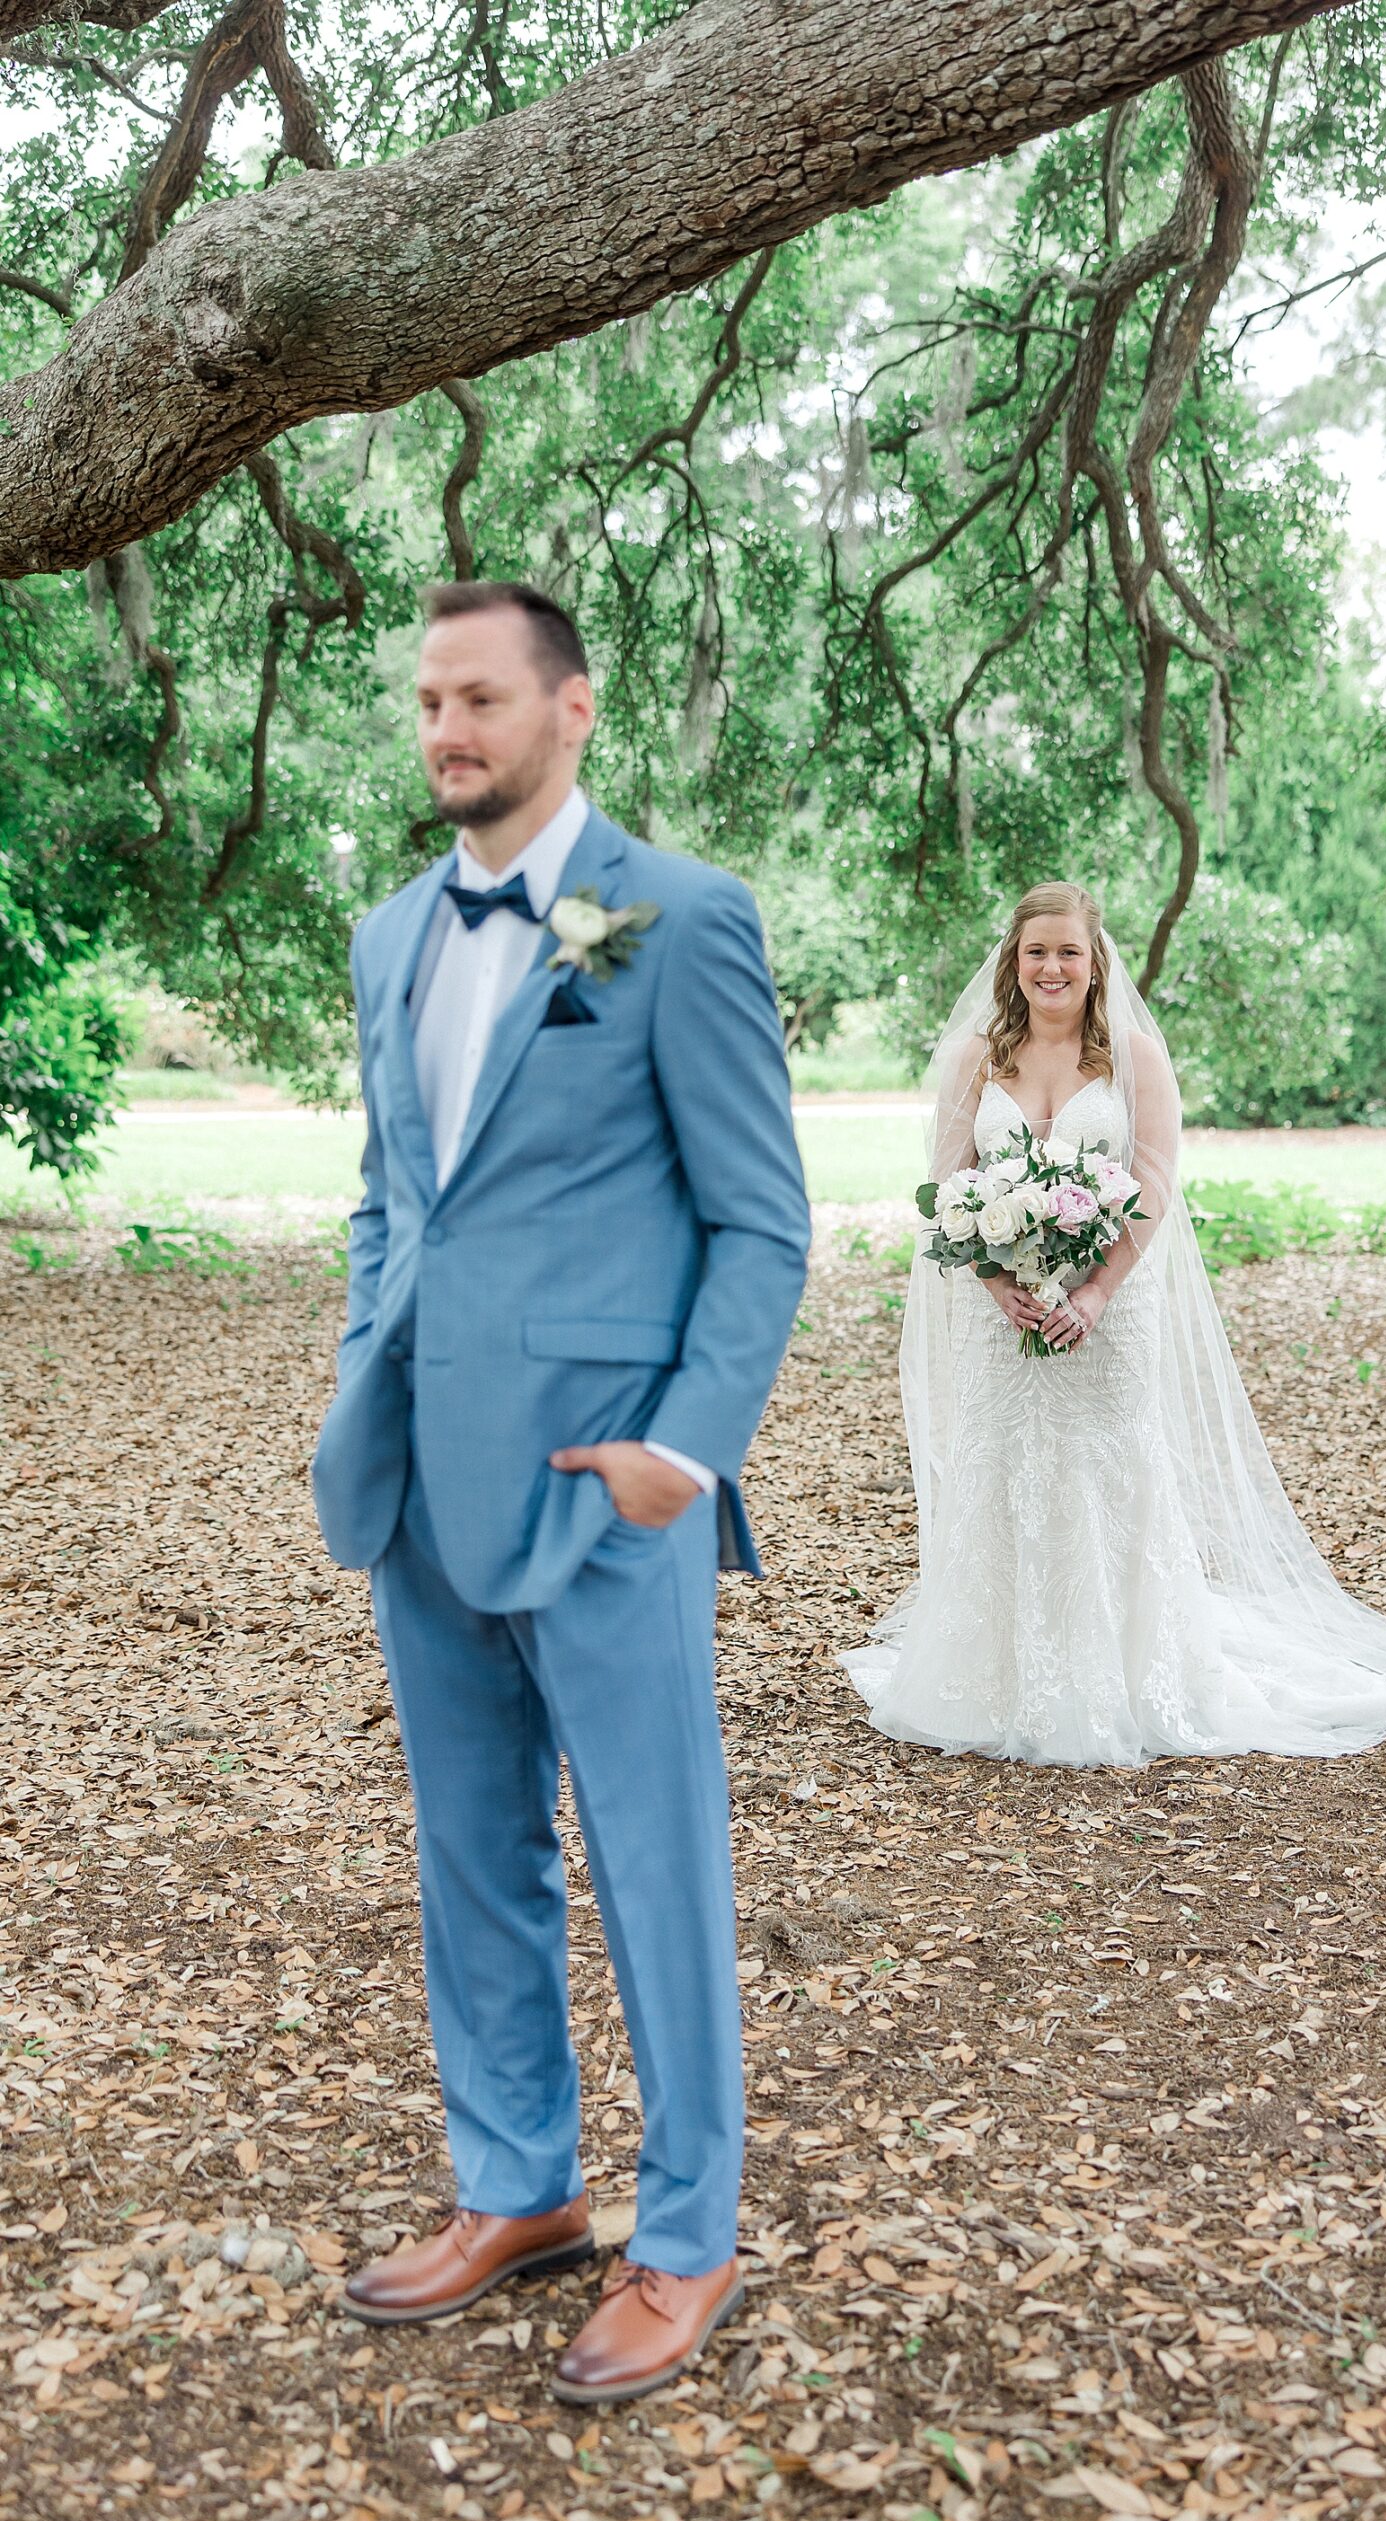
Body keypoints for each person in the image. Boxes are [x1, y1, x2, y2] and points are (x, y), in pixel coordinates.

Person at [311, 580, 810, 2402]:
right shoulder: (385, 938)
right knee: (473, 1857)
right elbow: (393, 1192)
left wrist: (682, 1451)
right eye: (429, 701)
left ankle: (687, 2235)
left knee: (650, 1859)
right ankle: (516, 2188)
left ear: (573, 711)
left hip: (607, 1493)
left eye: (482, 700)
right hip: (420, 1479)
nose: (447, 731)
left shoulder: (674, 921)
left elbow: (760, 1219)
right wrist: (373, 1343)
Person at [842, 880, 1386, 1765]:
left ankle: (1127, 1674)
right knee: (1006, 1463)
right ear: (1012, 963)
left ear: (1095, 965)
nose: (1051, 967)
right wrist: (995, 1279)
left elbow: (1154, 1183)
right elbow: (948, 1189)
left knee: (1109, 1471)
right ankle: (994, 1678)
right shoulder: (974, 1062)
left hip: (1108, 1310)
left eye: (1068, 952)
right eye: (1035, 952)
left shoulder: (1133, 1056)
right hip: (1004, 1318)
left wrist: (1093, 1291)